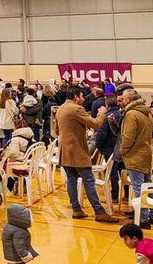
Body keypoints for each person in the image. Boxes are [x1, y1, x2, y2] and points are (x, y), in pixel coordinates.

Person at [55, 86, 118, 223]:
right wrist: (102, 113)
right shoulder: (76, 108)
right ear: (76, 96)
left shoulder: (60, 109)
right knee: (89, 180)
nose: (83, 99)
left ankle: (76, 209)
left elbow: (56, 130)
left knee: (71, 180)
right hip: (77, 150)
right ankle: (99, 211)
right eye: (81, 96)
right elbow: (95, 124)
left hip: (64, 150)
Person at [117, 90, 153, 228]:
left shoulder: (131, 114)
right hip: (145, 152)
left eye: (123, 98)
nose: (121, 101)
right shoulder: (145, 113)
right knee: (148, 186)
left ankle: (143, 219)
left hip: (135, 155)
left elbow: (128, 138)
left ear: (129, 99)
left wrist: (121, 151)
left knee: (139, 188)